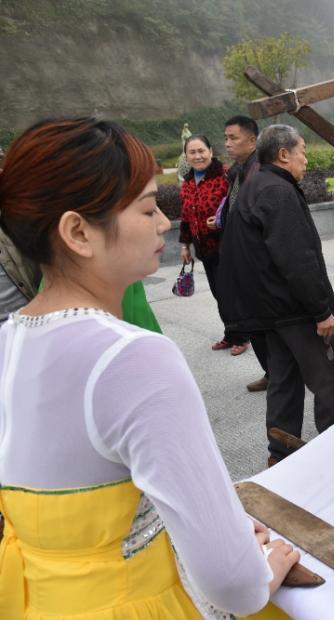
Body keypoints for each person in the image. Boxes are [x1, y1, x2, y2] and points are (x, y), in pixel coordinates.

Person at [0, 117, 298, 618]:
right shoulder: (133, 357)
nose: (164, 221)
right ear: (78, 231)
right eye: (145, 208)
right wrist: (262, 572)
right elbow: (231, 580)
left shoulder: (10, 339)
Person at [218, 124, 334, 465]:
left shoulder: (254, 185)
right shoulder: (277, 191)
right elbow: (297, 259)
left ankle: (281, 454)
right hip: (293, 308)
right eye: (302, 150)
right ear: (283, 154)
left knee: (284, 380)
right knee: (333, 377)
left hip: (270, 310)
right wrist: (322, 311)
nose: (305, 159)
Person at [178, 134, 250, 355]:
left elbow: (239, 207)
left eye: (201, 151)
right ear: (187, 155)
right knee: (219, 294)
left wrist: (221, 222)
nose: (198, 156)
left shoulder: (226, 175)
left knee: (231, 294)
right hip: (204, 249)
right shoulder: (188, 182)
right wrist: (184, 245)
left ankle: (243, 336)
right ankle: (231, 334)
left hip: (227, 246)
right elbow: (185, 217)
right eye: (193, 152)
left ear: (210, 151)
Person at [217, 115, 269, 392]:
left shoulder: (260, 172)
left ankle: (280, 374)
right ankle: (272, 372)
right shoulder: (238, 171)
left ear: (252, 139)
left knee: (263, 324)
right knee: (253, 322)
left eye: (233, 137)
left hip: (256, 263)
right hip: (240, 261)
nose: (227, 143)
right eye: (225, 138)